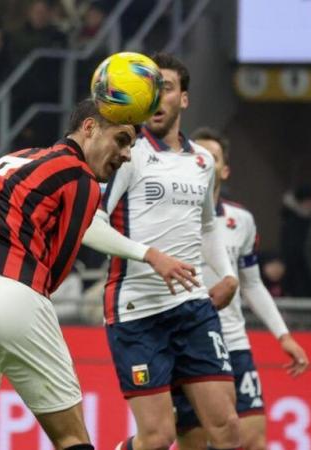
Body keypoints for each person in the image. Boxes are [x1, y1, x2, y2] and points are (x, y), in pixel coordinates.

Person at [0, 98, 199, 450]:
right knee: (71, 437)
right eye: (121, 140)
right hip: (12, 292)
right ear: (89, 129)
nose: (127, 154)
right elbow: (55, 272)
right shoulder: (80, 177)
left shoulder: (13, 159)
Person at [98, 53, 241, 450]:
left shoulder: (201, 162)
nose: (156, 97)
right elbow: (94, 221)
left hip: (193, 308)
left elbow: (208, 226)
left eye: (166, 88)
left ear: (184, 99)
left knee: (228, 430)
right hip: (137, 311)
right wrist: (150, 255)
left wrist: (227, 274)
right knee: (159, 437)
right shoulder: (126, 153)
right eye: (150, 88)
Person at [172, 127, 309, 450]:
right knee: (192, 441)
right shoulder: (170, 215)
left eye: (212, 157)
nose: (203, 162)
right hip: (186, 341)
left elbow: (252, 283)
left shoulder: (241, 220)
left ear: (224, 169)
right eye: (197, 155)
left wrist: (283, 335)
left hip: (232, 341)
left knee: (252, 440)